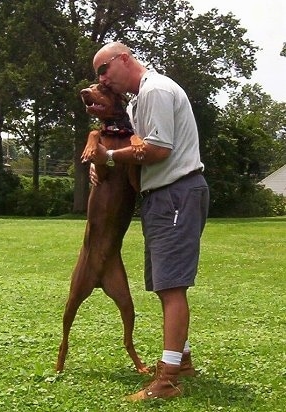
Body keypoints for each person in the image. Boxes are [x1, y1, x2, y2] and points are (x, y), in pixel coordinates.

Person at [87, 42, 209, 401]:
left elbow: (157, 149)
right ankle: (182, 360)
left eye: (104, 70)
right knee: (163, 283)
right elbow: (138, 149)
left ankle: (167, 379)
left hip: (176, 192)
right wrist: (104, 168)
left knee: (172, 287)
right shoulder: (139, 100)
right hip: (161, 195)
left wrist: (107, 157)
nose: (102, 80)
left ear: (124, 59)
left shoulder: (155, 89)